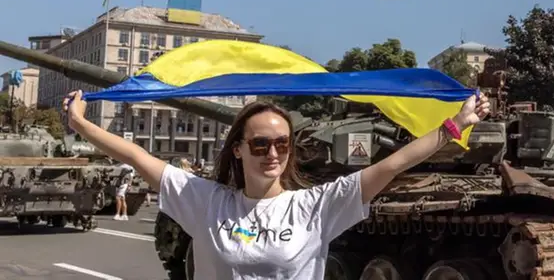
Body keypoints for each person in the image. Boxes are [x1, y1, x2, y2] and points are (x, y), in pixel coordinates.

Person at [63, 89, 489, 280]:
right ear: (238, 150)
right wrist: (80, 123)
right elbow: (137, 156)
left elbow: (394, 163)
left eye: (281, 143)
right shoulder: (205, 200)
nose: (272, 153)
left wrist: (457, 124)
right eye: (261, 143)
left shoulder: (317, 206)